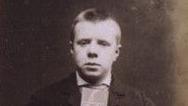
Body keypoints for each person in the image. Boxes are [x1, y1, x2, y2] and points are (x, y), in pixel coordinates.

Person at [27, 8, 155, 106]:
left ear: (116, 52)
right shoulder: (42, 100)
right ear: (72, 48)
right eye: (83, 43)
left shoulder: (140, 103)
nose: (92, 51)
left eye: (103, 44)